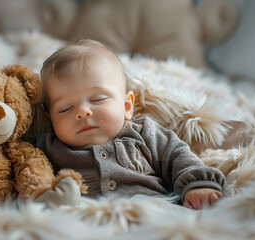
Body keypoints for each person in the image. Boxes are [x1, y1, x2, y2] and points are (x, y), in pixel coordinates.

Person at [34, 39, 226, 210]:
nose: (82, 112)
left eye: (98, 99)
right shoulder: (48, 148)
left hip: (154, 215)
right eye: (65, 108)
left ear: (126, 106)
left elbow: (178, 155)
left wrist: (198, 184)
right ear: (50, 117)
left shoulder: (143, 132)